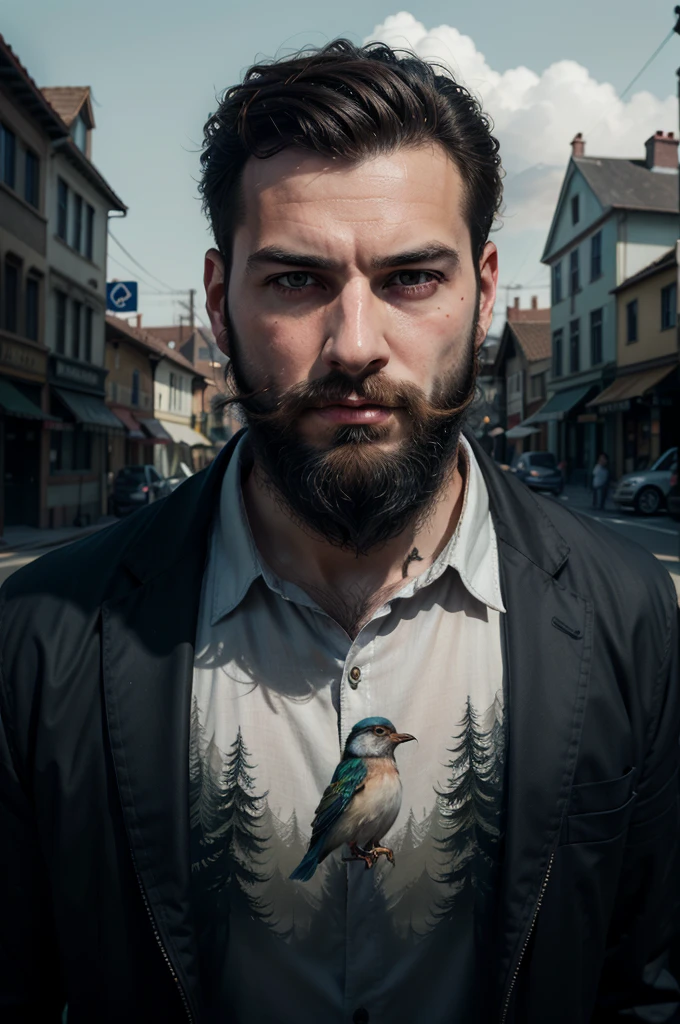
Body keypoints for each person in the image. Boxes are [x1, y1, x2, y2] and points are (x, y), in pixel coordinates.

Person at [1, 40, 678, 1024]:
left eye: (409, 278)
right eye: (293, 281)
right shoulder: (39, 638)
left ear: (484, 292)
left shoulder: (625, 612)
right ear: (221, 293)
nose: (353, 345)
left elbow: (644, 984)